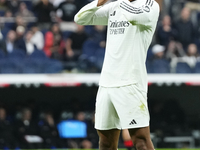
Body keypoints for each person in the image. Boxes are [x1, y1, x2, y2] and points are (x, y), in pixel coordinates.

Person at [74, 0, 159, 150]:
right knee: (106, 143)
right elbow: (80, 18)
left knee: (140, 140)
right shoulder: (115, 6)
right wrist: (100, 2)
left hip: (130, 83)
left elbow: (135, 16)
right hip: (106, 84)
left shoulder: (150, 5)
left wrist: (119, 3)